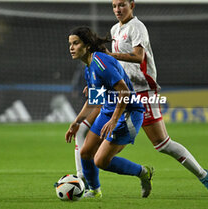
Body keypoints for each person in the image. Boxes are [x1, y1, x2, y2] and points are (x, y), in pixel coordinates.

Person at [74, 0, 208, 195]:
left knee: (163, 144)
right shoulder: (115, 29)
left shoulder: (137, 27)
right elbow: (116, 69)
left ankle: (204, 175)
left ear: (132, 5)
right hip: (121, 94)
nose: (117, 9)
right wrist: (100, 84)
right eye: (114, 6)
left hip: (143, 93)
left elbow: (138, 57)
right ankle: (90, 184)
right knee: (93, 148)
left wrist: (110, 55)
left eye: (122, 5)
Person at [65, 26, 154, 198]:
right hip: (109, 111)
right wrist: (76, 122)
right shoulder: (88, 67)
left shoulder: (101, 62)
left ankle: (143, 172)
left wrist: (114, 120)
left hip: (128, 113)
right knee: (86, 153)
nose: (71, 47)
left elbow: (125, 91)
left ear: (88, 45)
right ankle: (94, 191)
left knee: (100, 160)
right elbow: (94, 100)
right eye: (70, 44)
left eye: (76, 43)